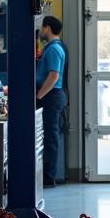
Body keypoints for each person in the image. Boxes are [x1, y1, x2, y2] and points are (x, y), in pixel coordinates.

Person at [36, 15, 67, 187]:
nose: (41, 31)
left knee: (50, 137)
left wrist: (39, 96)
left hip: (51, 96)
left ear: (47, 28)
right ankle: (46, 175)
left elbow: (54, 76)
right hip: (49, 95)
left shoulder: (54, 49)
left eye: (42, 27)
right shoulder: (50, 48)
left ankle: (49, 177)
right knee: (47, 136)